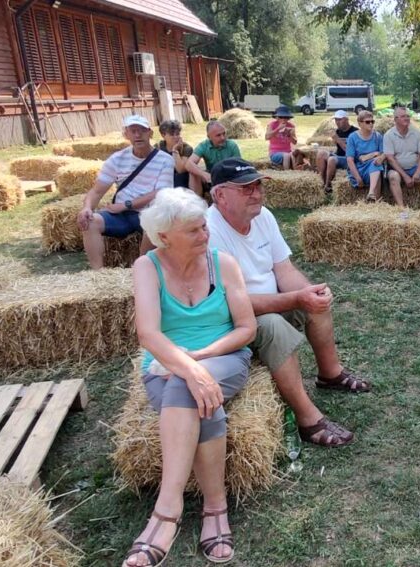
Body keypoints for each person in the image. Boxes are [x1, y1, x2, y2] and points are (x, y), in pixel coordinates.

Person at [126, 188, 256, 566]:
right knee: (196, 394)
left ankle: (166, 513)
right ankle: (215, 509)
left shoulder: (224, 264)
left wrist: (198, 360)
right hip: (165, 362)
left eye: (204, 227)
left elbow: (246, 329)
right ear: (164, 236)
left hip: (222, 357)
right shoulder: (147, 267)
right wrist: (188, 368)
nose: (206, 235)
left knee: (187, 382)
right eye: (194, 231)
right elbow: (149, 335)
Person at [206, 158, 372, 447]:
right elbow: (229, 303)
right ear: (220, 195)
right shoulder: (208, 231)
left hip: (269, 303)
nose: (256, 193)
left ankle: (330, 373)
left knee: (313, 299)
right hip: (232, 320)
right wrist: (295, 298)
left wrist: (309, 293)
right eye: (246, 188)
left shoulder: (263, 216)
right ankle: (308, 420)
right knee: (273, 325)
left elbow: (284, 269)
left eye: (258, 185)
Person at [77, 115, 174, 270]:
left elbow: (160, 192)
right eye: (133, 131)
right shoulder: (116, 159)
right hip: (120, 215)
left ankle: (142, 269)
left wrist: (125, 205)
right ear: (126, 135)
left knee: (155, 221)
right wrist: (87, 207)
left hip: (147, 212)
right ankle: (97, 274)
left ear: (150, 133)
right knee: (90, 221)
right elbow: (96, 191)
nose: (138, 135)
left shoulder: (165, 160)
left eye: (142, 130)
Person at [189, 120, 242, 196]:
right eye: (218, 135)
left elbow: (238, 167)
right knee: (193, 172)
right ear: (209, 137)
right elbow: (189, 164)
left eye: (224, 133)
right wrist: (204, 174)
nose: (223, 137)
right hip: (211, 179)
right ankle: (196, 201)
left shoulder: (232, 145)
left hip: (229, 178)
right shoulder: (204, 146)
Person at [345, 110, 388, 200]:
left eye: (372, 121)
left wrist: (367, 157)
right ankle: (375, 200)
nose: (371, 124)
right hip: (359, 169)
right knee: (376, 167)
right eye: (367, 122)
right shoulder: (352, 137)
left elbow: (383, 153)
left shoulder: (377, 136)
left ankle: (372, 194)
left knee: (376, 164)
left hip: (373, 167)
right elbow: (350, 160)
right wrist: (357, 177)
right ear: (360, 123)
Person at [315, 110, 357, 193]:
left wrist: (337, 139)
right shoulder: (338, 131)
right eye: (336, 120)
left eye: (339, 120)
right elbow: (338, 148)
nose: (337, 122)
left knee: (332, 159)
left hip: (349, 158)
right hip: (339, 155)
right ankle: (321, 182)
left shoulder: (355, 132)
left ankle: (328, 187)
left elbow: (349, 151)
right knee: (321, 153)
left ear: (346, 119)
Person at [157, 119, 194, 191]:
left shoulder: (187, 148)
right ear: (163, 135)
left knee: (179, 176)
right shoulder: (158, 148)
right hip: (164, 178)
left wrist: (175, 150)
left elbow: (180, 169)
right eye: (172, 134)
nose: (176, 137)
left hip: (181, 181)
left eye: (177, 134)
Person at [266, 106, 303, 171]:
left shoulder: (291, 126)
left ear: (288, 118)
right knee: (287, 156)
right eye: (281, 117)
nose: (283, 119)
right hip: (275, 152)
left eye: (286, 117)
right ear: (277, 117)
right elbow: (267, 137)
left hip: (288, 151)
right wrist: (278, 129)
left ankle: (297, 172)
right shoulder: (272, 125)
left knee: (298, 154)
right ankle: (287, 173)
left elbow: (295, 142)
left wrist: (289, 135)